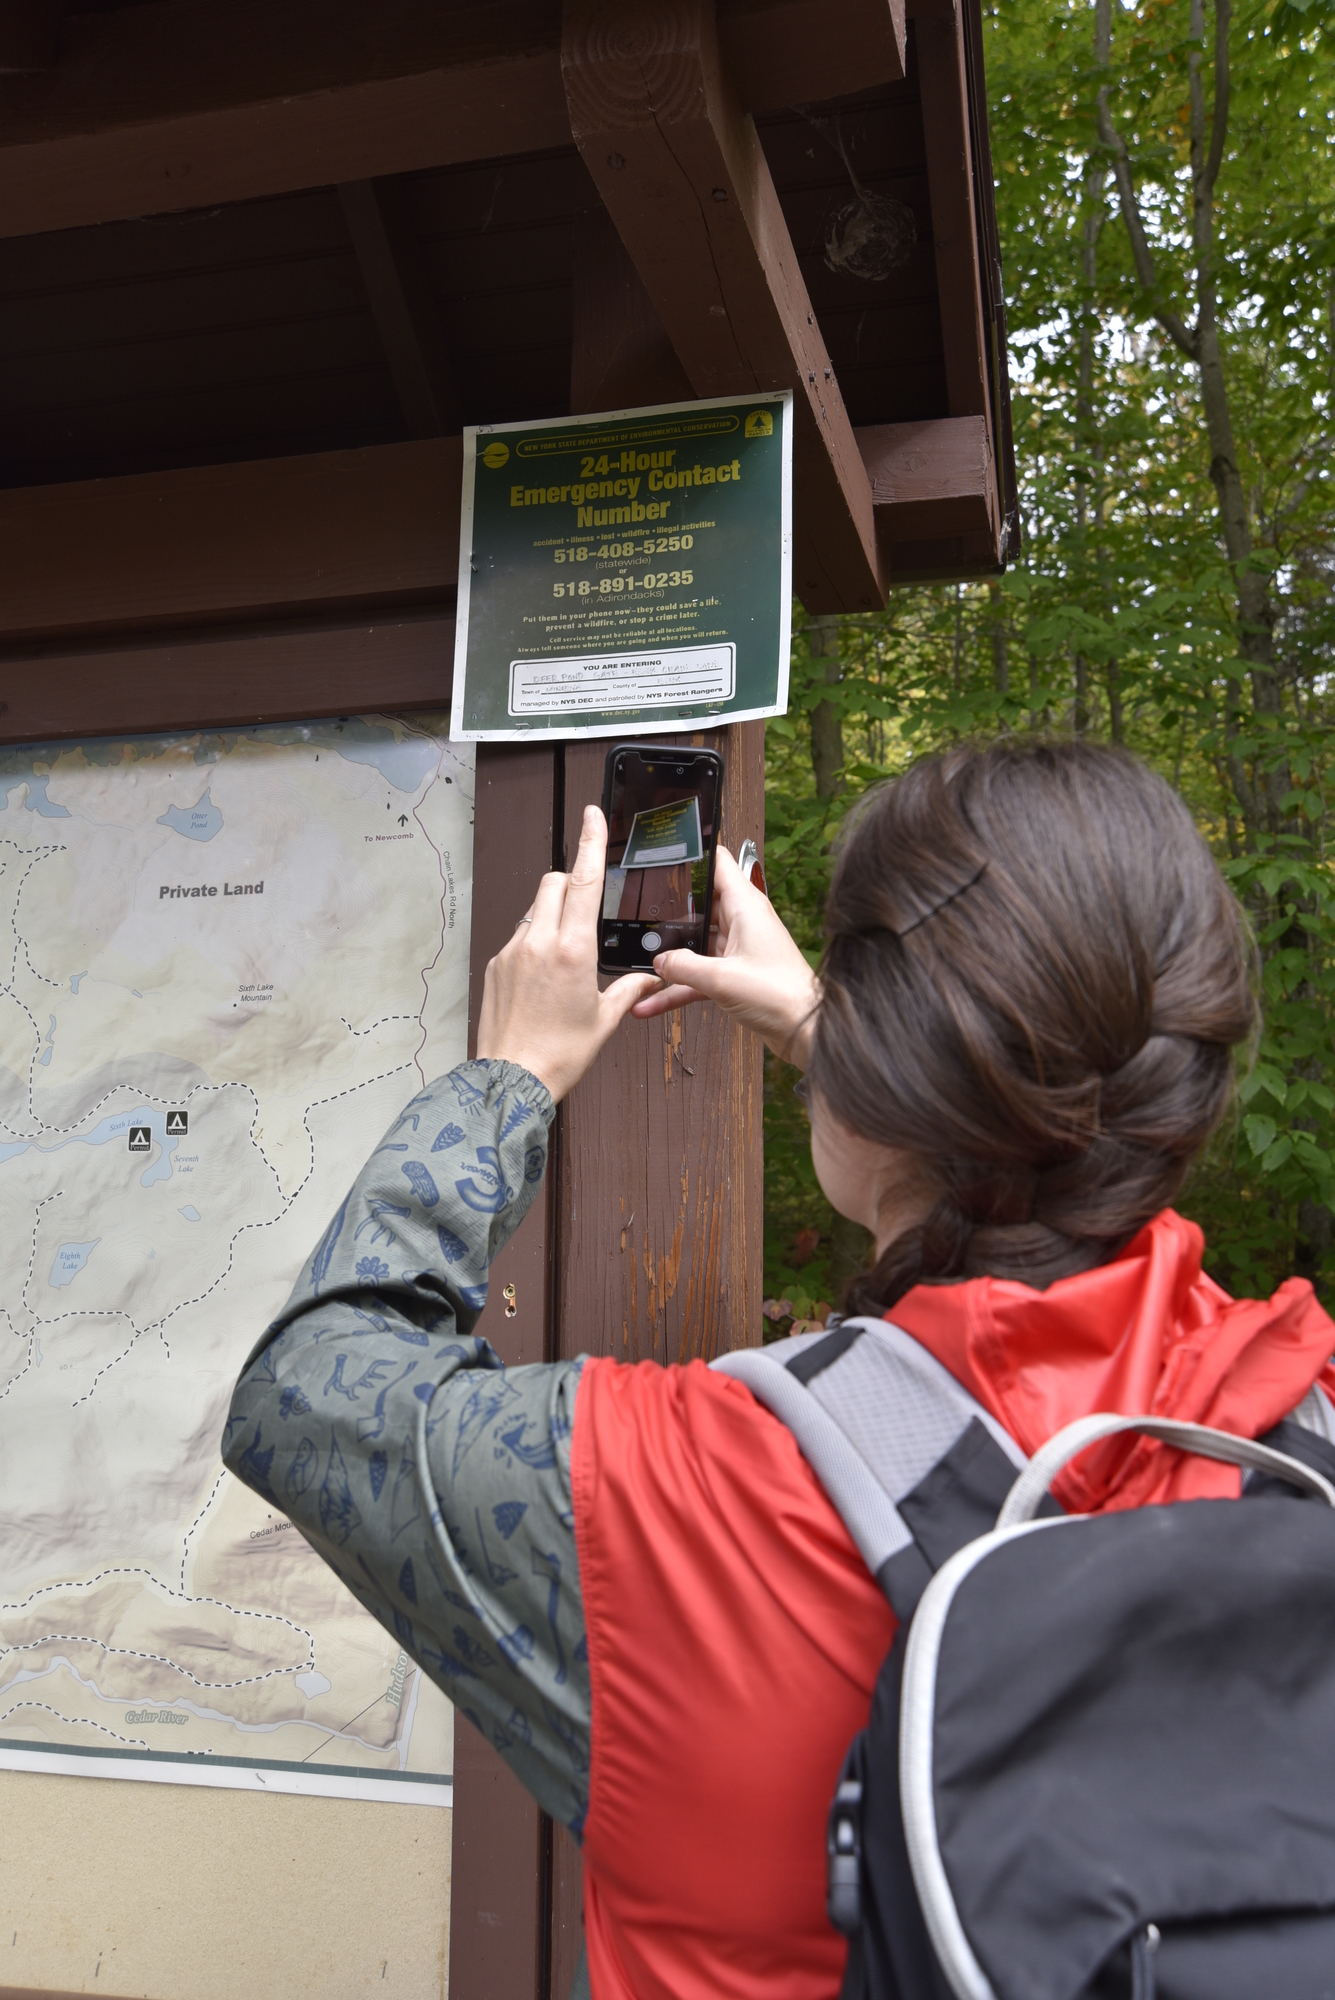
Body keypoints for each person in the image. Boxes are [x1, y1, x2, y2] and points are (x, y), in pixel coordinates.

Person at [223, 739, 1335, 2000]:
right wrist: (851, 1050)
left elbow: (310, 1384)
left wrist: (508, 1075)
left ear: (892, 1044)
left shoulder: (689, 1492)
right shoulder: (1295, 1410)